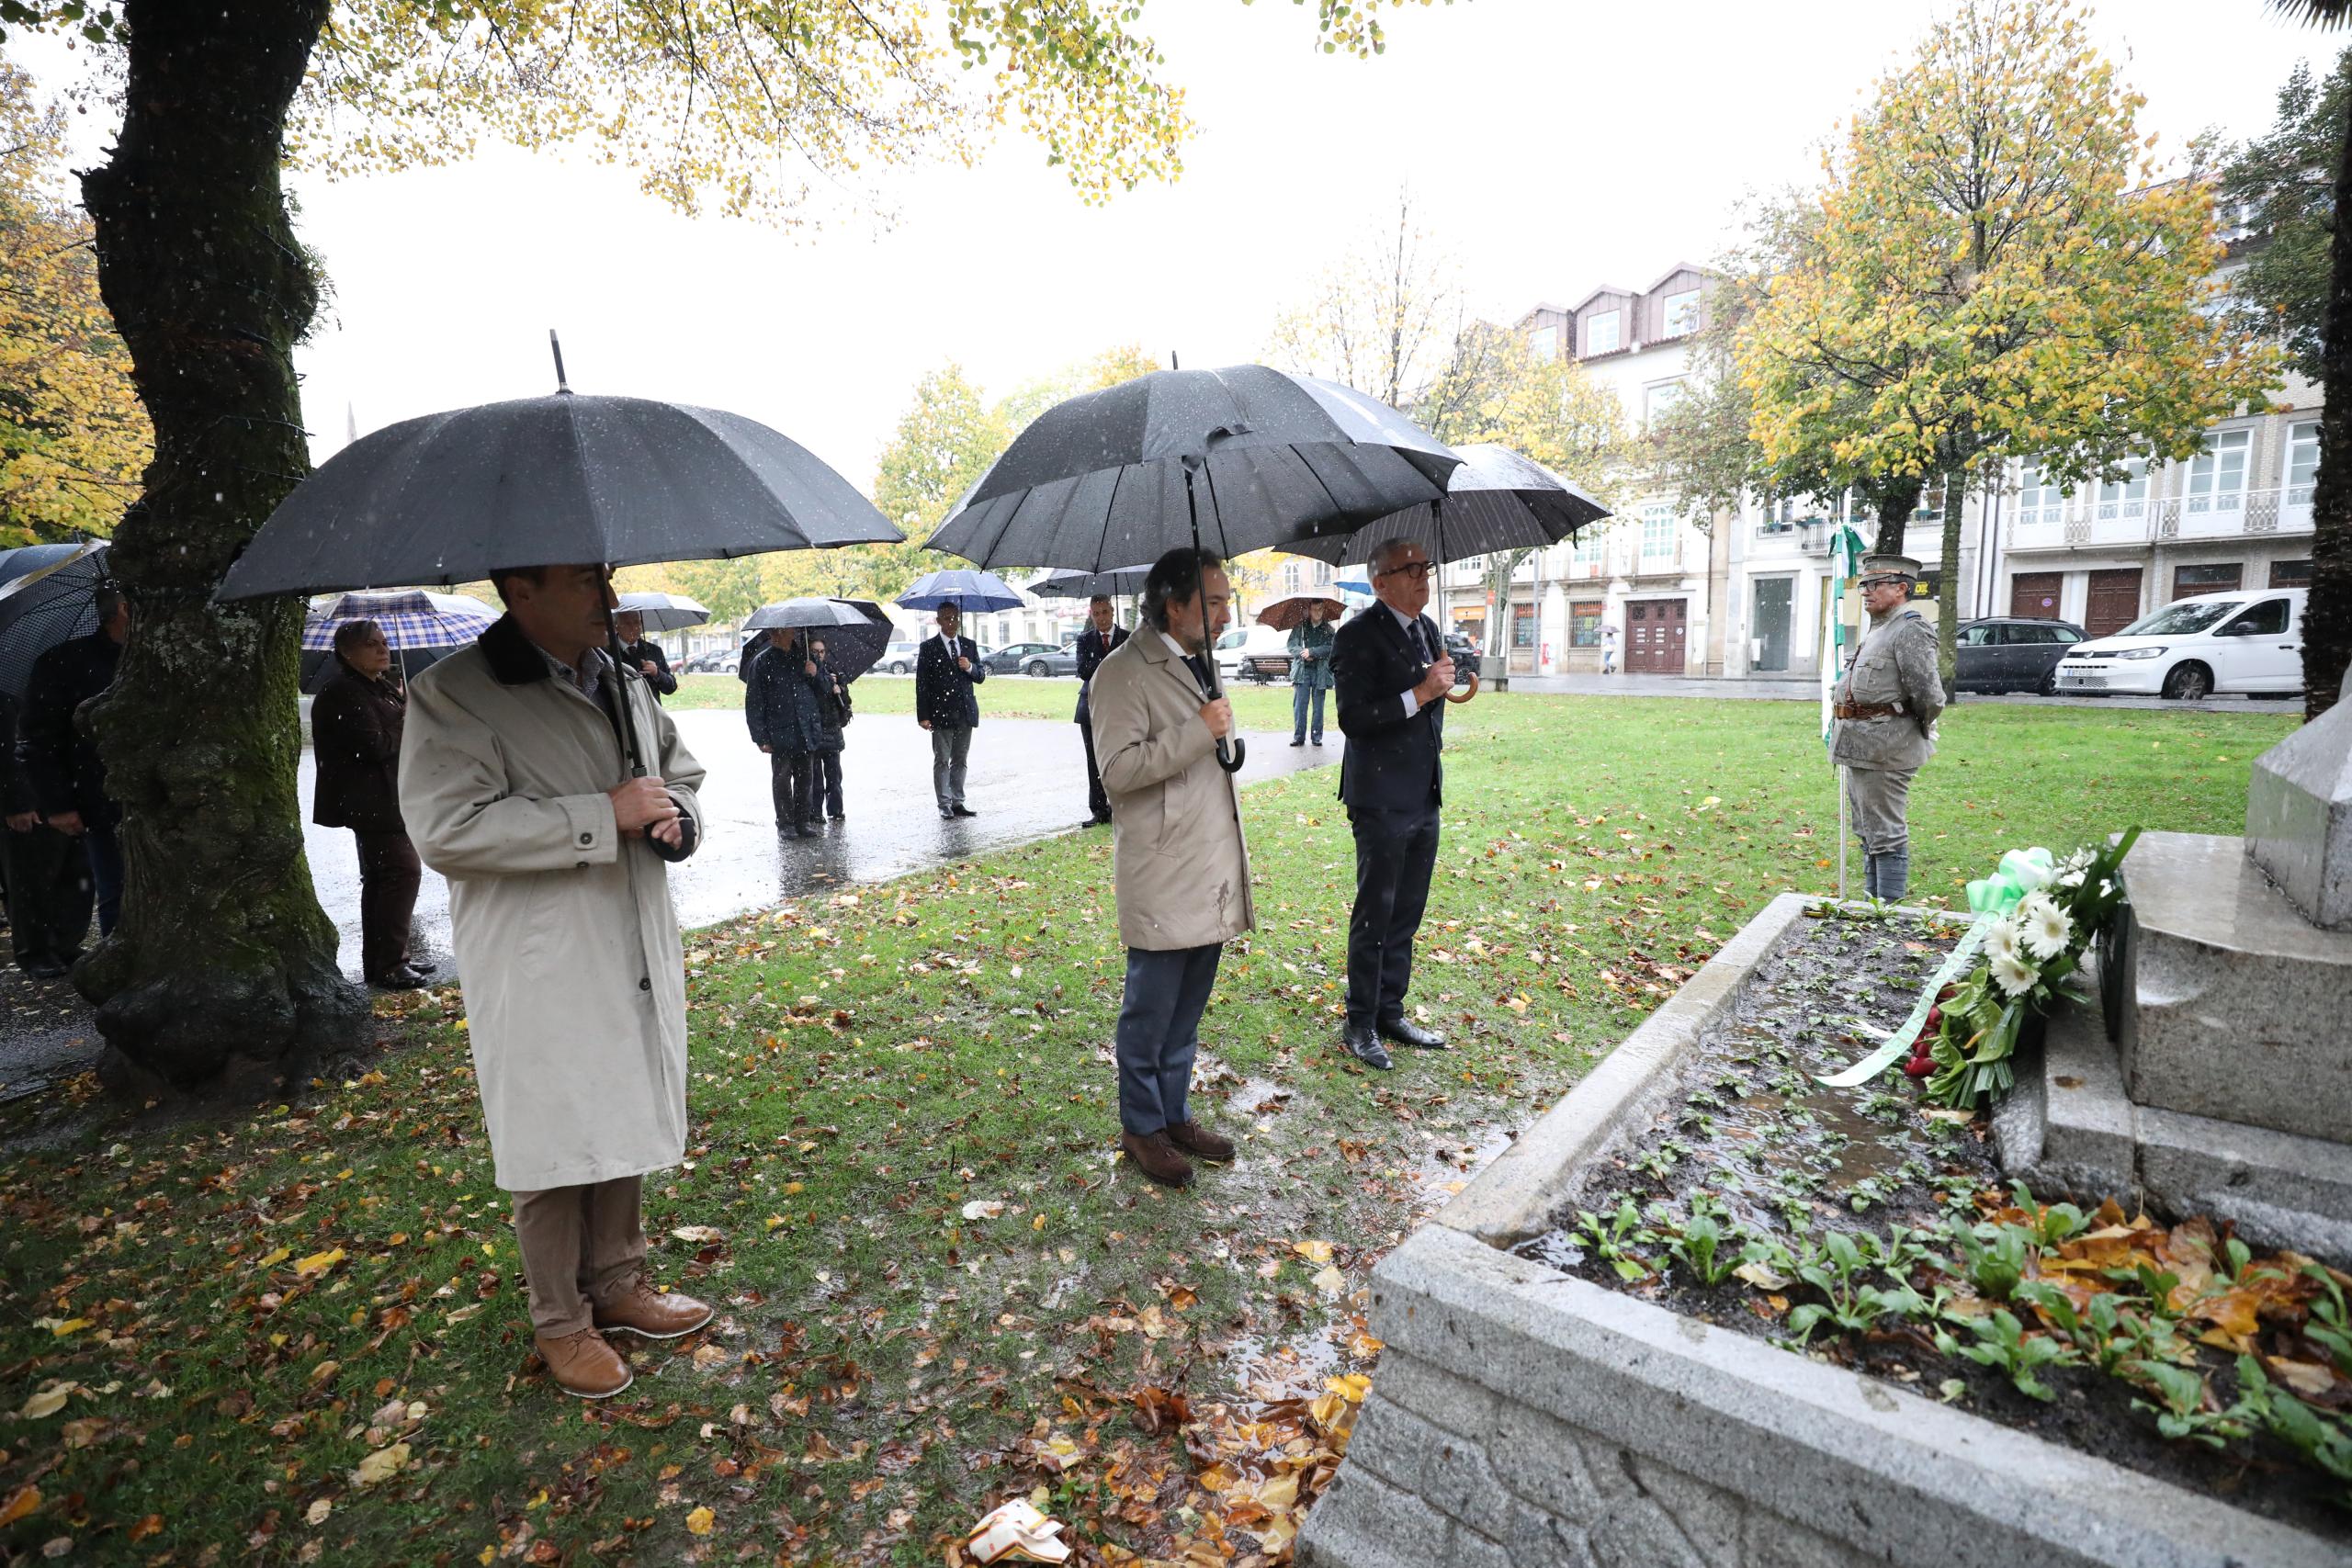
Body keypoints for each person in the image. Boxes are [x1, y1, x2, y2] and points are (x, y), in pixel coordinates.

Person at [400, 563, 710, 1401]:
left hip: (630, 937)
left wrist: (678, 821)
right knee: (549, 1136)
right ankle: (561, 1319)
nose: (608, 599)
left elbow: (678, 773)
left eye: (604, 578)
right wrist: (597, 814)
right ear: (520, 589)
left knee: (621, 1103)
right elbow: (447, 829)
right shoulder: (455, 693)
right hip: (538, 957)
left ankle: (618, 1278)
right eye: (584, 582)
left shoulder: (618, 677)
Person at [1089, 547, 1250, 1188]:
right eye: (1212, 600)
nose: (1224, 609)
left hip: (1207, 866)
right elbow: (1118, 774)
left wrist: (1218, 730)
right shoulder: (1121, 674)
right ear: (1173, 604)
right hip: (1163, 871)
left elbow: (1213, 756)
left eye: (1225, 597)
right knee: (1150, 1012)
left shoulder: (1199, 664)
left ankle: (1174, 1113)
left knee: (1186, 1012)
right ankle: (1141, 1124)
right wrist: (1197, 730)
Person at [1331, 538, 1454, 1072]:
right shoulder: (1356, 636)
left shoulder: (1429, 630)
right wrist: (1422, 694)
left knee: (1407, 909)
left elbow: (1430, 700)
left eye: (1425, 567)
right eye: (1410, 570)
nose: (1422, 577)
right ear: (1380, 582)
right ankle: (1359, 1020)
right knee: (1375, 912)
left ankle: (1390, 1009)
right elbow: (1353, 720)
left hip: (1423, 791)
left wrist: (1448, 684)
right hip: (1380, 798)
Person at [311, 619, 429, 990]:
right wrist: (405, 718)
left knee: (384, 879)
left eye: (384, 642)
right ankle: (390, 964)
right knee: (400, 874)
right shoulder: (343, 692)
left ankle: (386, 961)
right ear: (347, 653)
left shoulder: (376, 687)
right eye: (371, 644)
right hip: (371, 800)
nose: (383, 649)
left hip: (387, 796)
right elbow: (373, 746)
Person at [1832, 554, 1946, 901]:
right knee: (1868, 830)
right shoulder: (1881, 628)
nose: (1865, 591)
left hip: (1887, 747)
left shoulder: (1910, 627)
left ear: (1901, 588)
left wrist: (1908, 729)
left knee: (1886, 833)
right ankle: (1873, 905)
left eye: (1874, 584)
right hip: (1861, 746)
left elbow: (1929, 694)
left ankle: (1889, 912)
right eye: (1863, 584)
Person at [21, 584, 127, 937]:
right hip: (98, 797)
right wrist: (58, 804)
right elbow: (42, 740)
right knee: (116, 890)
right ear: (123, 610)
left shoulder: (156, 660)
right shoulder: (64, 662)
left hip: (156, 799)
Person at [0, 686, 90, 979]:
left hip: (63, 788)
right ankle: (35, 950)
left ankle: (64, 943)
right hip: (30, 796)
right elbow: (6, 751)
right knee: (31, 878)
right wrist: (17, 802)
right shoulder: (9, 690)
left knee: (73, 870)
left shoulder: (49, 683)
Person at [746, 627, 830, 838]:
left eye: (780, 631)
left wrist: (815, 674)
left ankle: (803, 821)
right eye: (773, 631)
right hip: (780, 731)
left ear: (791, 633)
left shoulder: (806, 657)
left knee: (805, 779)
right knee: (782, 779)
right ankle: (785, 823)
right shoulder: (762, 662)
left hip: (806, 729)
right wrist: (760, 737)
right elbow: (754, 702)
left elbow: (826, 689)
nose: (774, 635)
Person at [916, 604, 987, 819]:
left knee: (960, 759)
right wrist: (923, 716)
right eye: (947, 618)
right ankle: (944, 803)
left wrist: (969, 667)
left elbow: (981, 675)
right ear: (938, 621)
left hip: (965, 712)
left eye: (955, 618)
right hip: (941, 712)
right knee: (942, 759)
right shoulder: (929, 648)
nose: (952, 622)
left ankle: (958, 801)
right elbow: (922, 684)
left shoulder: (968, 645)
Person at [1072, 595, 1129, 825]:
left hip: (1120, 707)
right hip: (1091, 707)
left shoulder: (1128, 638)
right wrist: (1109, 662)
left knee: (1121, 756)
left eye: (1104, 612)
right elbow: (1083, 670)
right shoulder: (1084, 640)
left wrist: (1105, 665)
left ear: (1112, 611)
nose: (1101, 618)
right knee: (1093, 759)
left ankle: (1121, 804)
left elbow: (1131, 670)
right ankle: (1098, 809)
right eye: (1096, 614)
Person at [808, 637, 852, 822]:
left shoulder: (833, 672)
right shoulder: (807, 672)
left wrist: (839, 689)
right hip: (815, 730)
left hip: (832, 729)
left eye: (822, 651)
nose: (819, 655)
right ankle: (815, 811)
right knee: (815, 777)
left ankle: (836, 809)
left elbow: (846, 702)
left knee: (834, 776)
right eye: (815, 651)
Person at [1286, 599, 1337, 748]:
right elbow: (1291, 645)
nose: (1318, 612)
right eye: (1315, 609)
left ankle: (1316, 737)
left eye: (1320, 609)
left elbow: (1331, 647)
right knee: (1300, 705)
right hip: (1302, 671)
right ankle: (1299, 736)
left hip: (1320, 672)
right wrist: (1303, 652)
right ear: (1309, 610)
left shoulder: (1328, 629)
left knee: (1318, 706)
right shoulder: (1300, 627)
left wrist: (1313, 651)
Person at [613, 610, 677, 704]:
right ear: (616, 627)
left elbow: (671, 687)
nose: (633, 627)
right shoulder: (607, 652)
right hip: (622, 712)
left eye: (636, 622)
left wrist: (657, 673)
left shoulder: (654, 651)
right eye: (627, 623)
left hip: (652, 713)